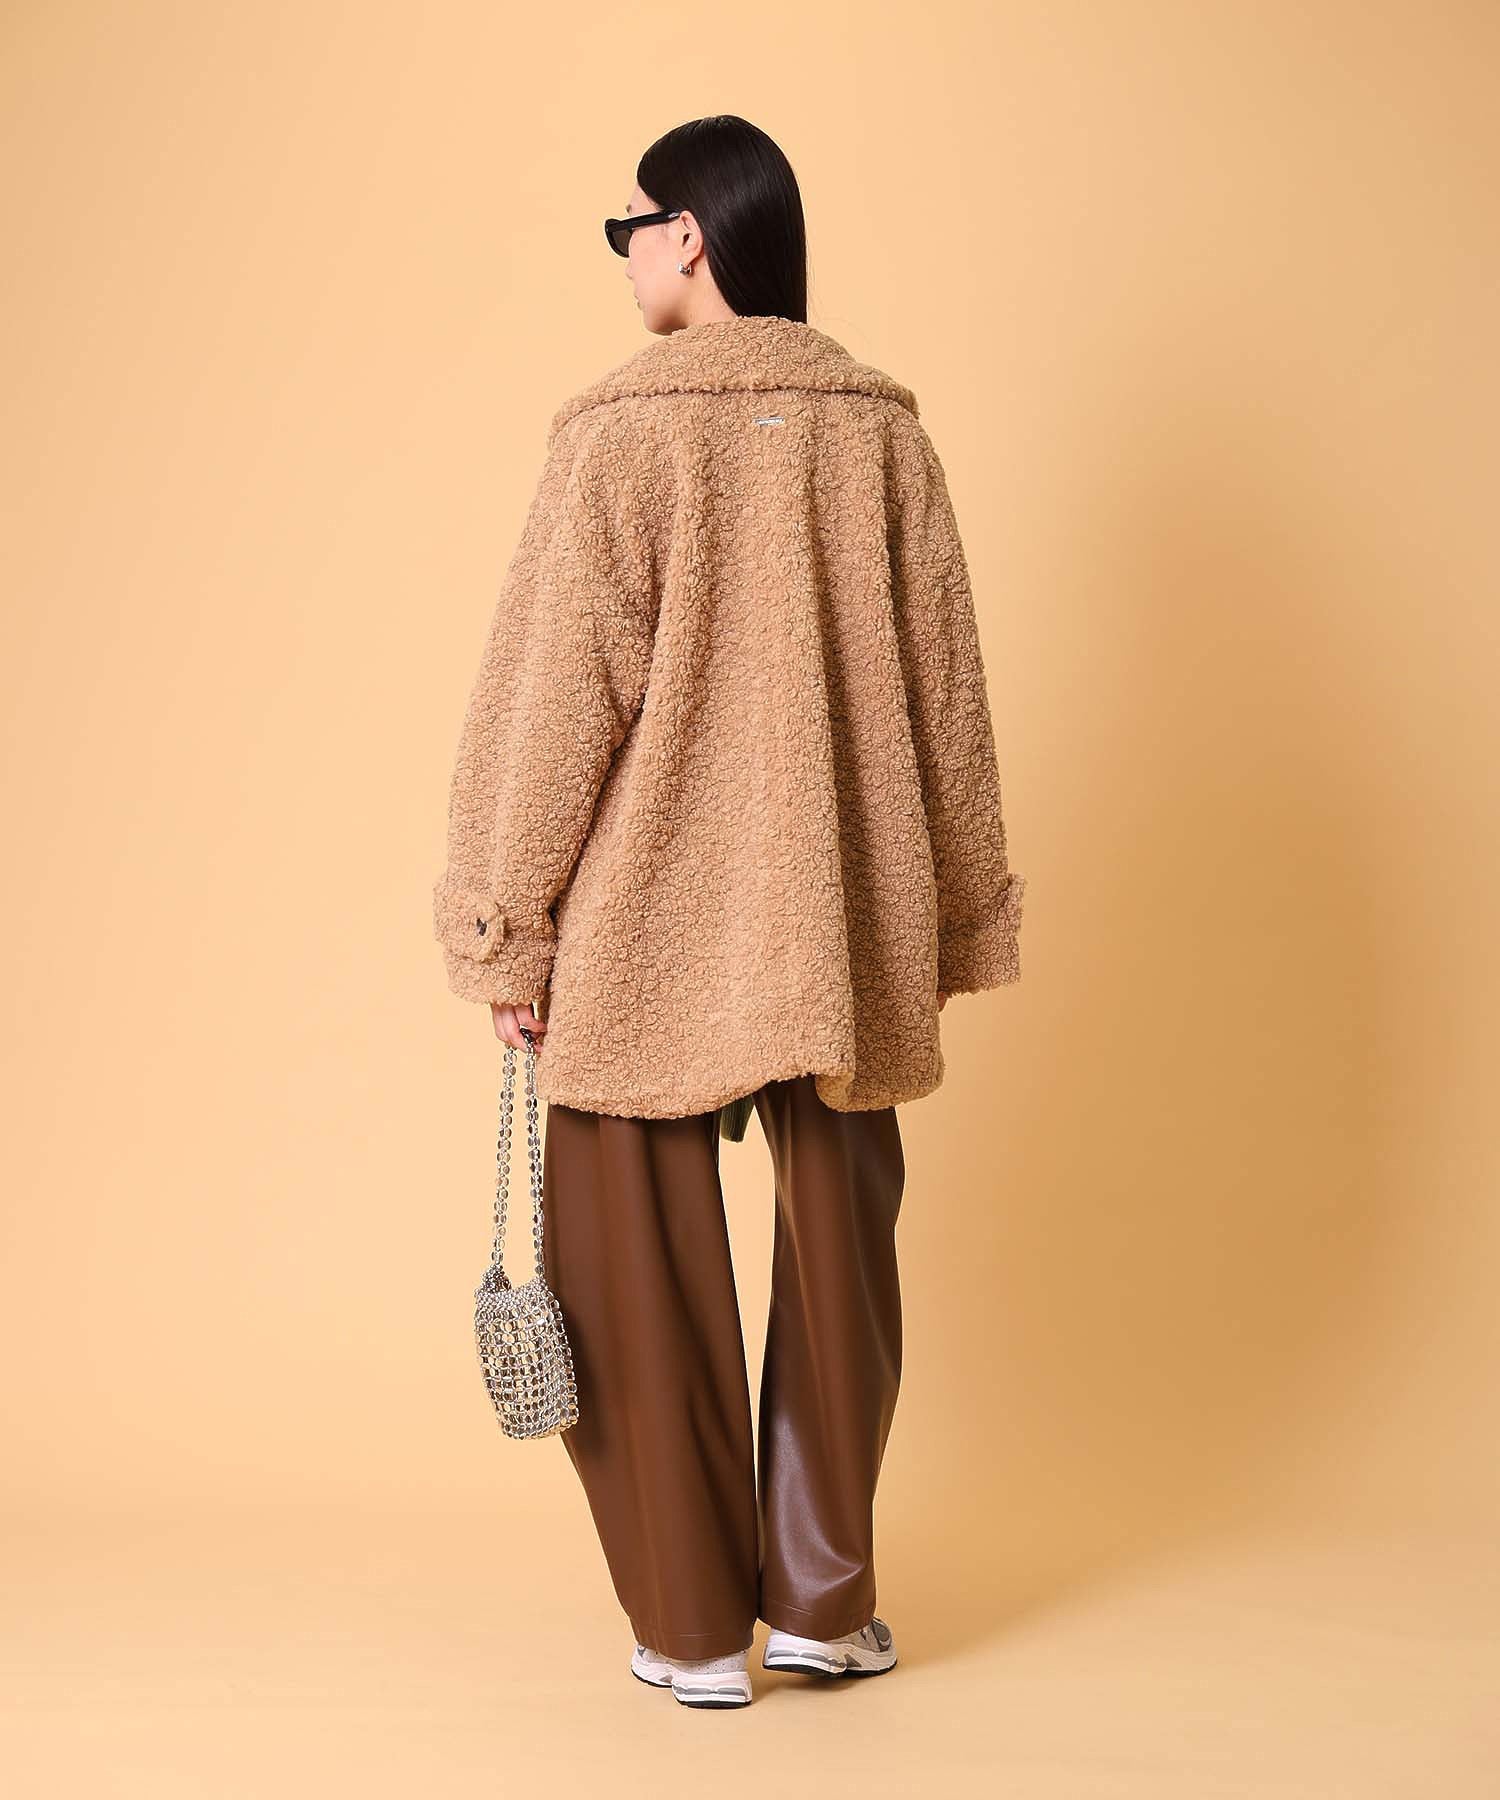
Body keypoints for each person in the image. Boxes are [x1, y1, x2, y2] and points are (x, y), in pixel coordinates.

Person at [431, 115, 1026, 1710]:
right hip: (841, 905)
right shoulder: (881, 434)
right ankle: (823, 1600)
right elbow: (949, 695)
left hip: (648, 914)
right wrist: (953, 913)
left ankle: (693, 1627)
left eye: (626, 226)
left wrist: (505, 920)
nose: (623, 255)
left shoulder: (619, 437)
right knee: (844, 1247)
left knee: (628, 1250)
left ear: (687, 233)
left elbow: (552, 699)